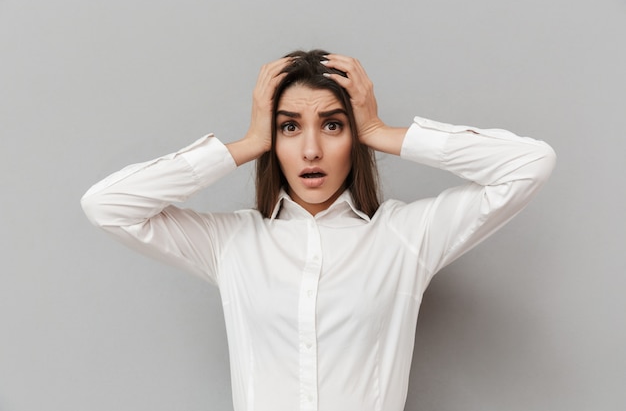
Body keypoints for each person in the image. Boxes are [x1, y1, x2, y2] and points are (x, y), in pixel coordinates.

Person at [81, 50, 556, 411]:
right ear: (275, 140)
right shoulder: (232, 243)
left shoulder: (406, 236)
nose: (310, 150)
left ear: (353, 138)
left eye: (332, 126)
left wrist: (381, 131)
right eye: (289, 128)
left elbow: (530, 165)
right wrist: (247, 143)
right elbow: (107, 206)